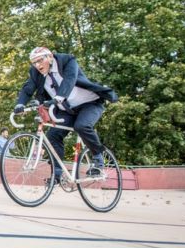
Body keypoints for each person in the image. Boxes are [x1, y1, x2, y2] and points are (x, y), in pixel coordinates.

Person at [14, 46, 119, 181]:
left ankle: (98, 160)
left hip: (90, 104)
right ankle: (57, 174)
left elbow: (69, 80)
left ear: (50, 57)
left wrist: (59, 97)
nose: (37, 65)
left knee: (81, 126)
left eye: (40, 60)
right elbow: (28, 88)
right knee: (53, 136)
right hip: (67, 110)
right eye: (34, 62)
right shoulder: (36, 73)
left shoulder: (67, 61)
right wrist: (20, 104)